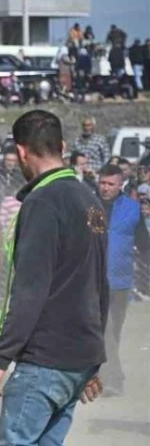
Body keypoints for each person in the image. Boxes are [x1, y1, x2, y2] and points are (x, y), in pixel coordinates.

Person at [0, 110, 141, 446]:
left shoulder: (43, 202)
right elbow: (99, 282)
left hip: (45, 352)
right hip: (78, 352)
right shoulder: (90, 198)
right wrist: (95, 357)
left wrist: (0, 357)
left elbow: (26, 289)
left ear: (22, 153)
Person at [94, 164, 150, 396]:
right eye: (102, 183)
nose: (105, 188)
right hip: (94, 280)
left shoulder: (132, 209)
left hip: (121, 281)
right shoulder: (88, 206)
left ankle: (97, 374)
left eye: (110, 184)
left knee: (114, 331)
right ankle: (114, 380)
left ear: (121, 185)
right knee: (104, 329)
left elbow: (145, 245)